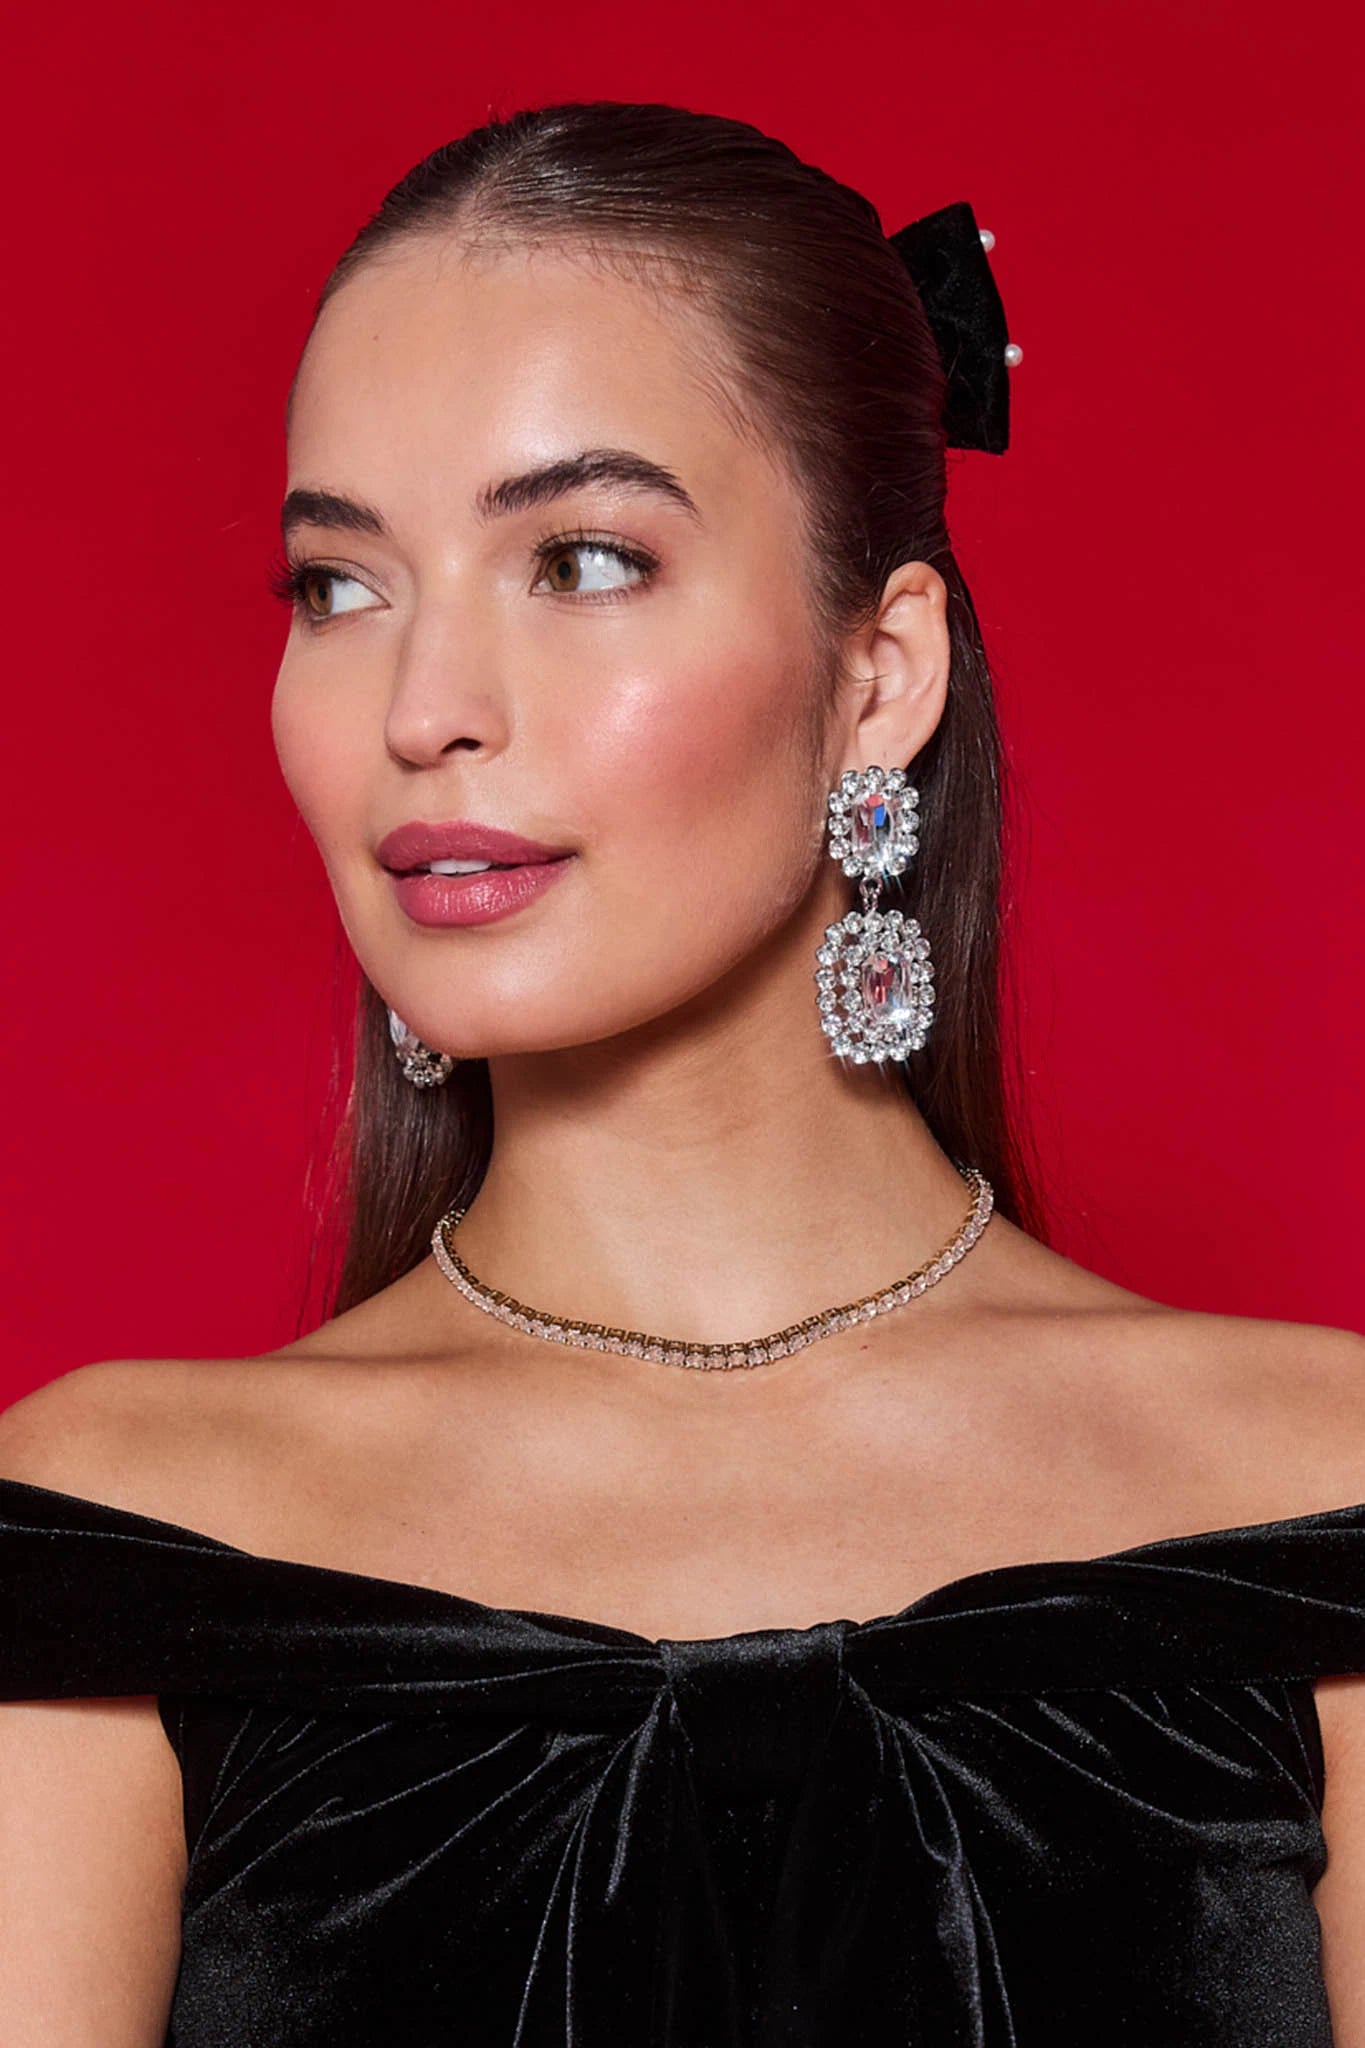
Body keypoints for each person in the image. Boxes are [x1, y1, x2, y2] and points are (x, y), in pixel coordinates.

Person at [1, 96, 1362, 2048]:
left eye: (577, 559)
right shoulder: (104, 1545)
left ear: (879, 673)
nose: (423, 710)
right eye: (339, 586)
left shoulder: (1315, 1499)